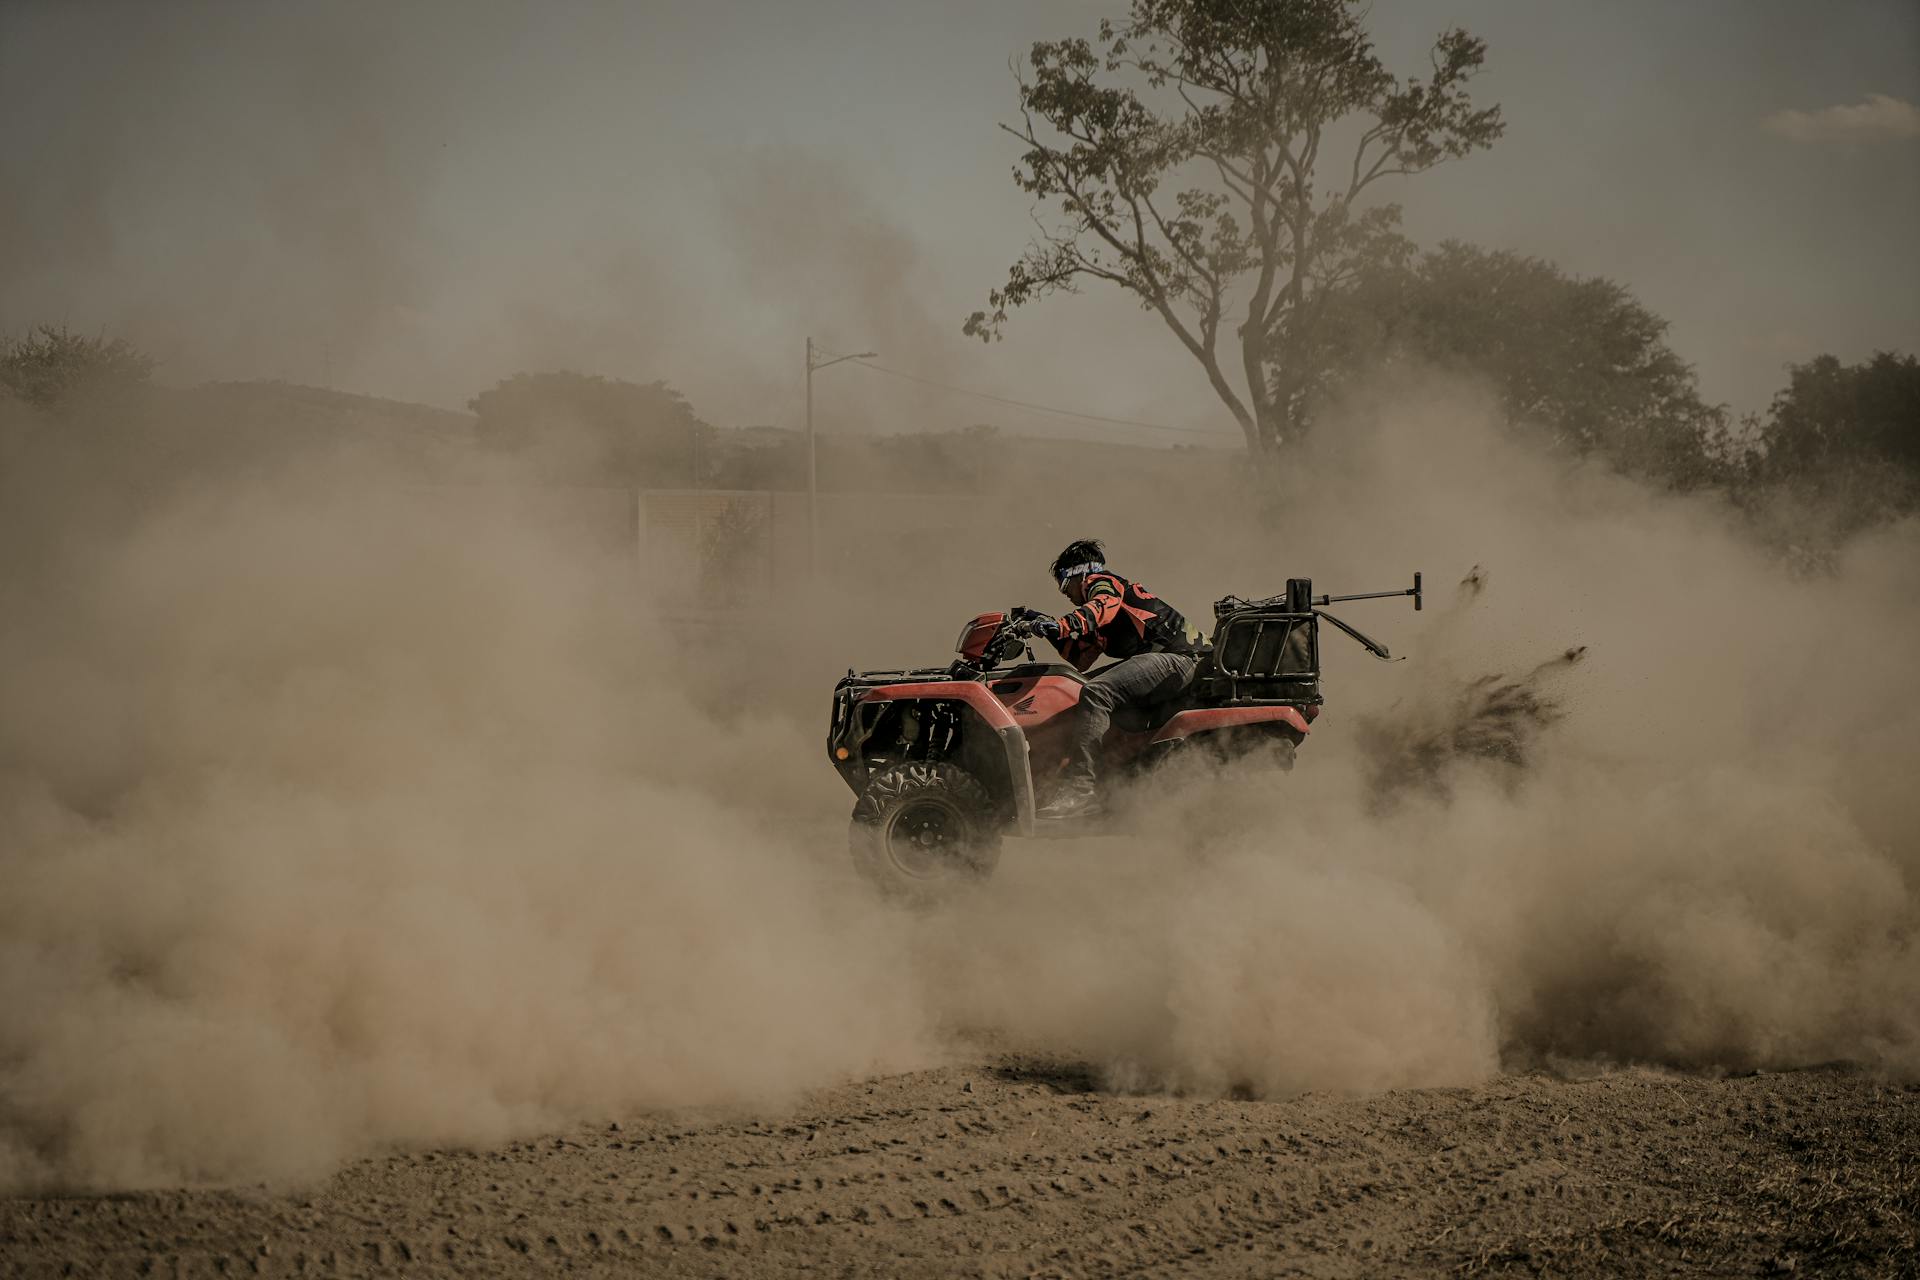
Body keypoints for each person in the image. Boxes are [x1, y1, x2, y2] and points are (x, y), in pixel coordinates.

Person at [1019, 539, 1203, 819]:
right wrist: (1046, 626)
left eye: (1064, 583)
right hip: (1167, 661)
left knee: (1097, 692)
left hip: (1182, 659)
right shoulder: (1099, 615)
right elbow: (1081, 658)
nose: (1064, 593)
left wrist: (1062, 623)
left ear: (1079, 574)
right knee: (1072, 687)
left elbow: (1101, 605)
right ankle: (1097, 777)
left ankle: (1080, 790)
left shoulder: (1103, 583)